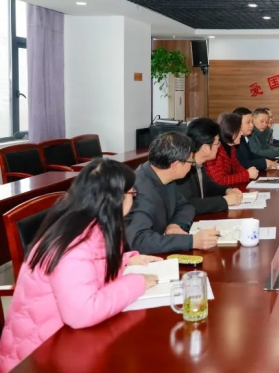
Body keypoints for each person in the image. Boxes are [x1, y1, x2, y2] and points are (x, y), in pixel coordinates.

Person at [0, 159, 160, 371]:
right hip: (36, 357)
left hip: (64, 342)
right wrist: (136, 283)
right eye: (133, 193)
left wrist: (124, 260)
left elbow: (88, 267)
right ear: (115, 199)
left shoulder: (85, 224)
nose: (134, 198)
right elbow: (81, 313)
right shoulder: (72, 246)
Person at [125, 132, 219, 254]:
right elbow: (140, 241)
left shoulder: (164, 176)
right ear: (176, 165)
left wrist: (175, 224)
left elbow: (185, 205)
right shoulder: (137, 190)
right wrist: (191, 241)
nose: (192, 166)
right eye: (191, 162)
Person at [176, 117, 244, 215]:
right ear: (205, 148)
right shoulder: (184, 169)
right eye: (217, 143)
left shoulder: (199, 163)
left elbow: (209, 186)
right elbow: (191, 204)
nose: (219, 146)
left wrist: (227, 190)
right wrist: (225, 201)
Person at [206, 112, 260, 188]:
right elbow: (220, 180)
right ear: (230, 131)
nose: (242, 134)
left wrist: (249, 172)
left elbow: (237, 167)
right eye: (239, 130)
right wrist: (247, 174)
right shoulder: (216, 150)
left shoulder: (231, 147)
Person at [232, 107, 277, 171]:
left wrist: (266, 160)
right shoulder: (233, 141)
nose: (252, 125)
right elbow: (240, 164)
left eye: (252, 122)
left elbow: (250, 155)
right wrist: (263, 163)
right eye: (248, 122)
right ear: (237, 123)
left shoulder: (242, 138)